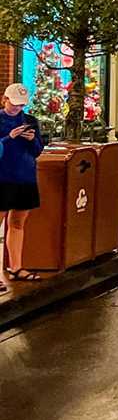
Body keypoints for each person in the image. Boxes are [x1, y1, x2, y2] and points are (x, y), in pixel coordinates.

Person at [0, 84, 43, 286]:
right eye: (14, 104)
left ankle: (16, 267)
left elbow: (37, 151)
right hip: (2, 178)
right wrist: (9, 138)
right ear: (4, 99)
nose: (17, 108)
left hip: (25, 177)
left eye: (21, 105)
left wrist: (33, 139)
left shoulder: (30, 121)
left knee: (17, 223)